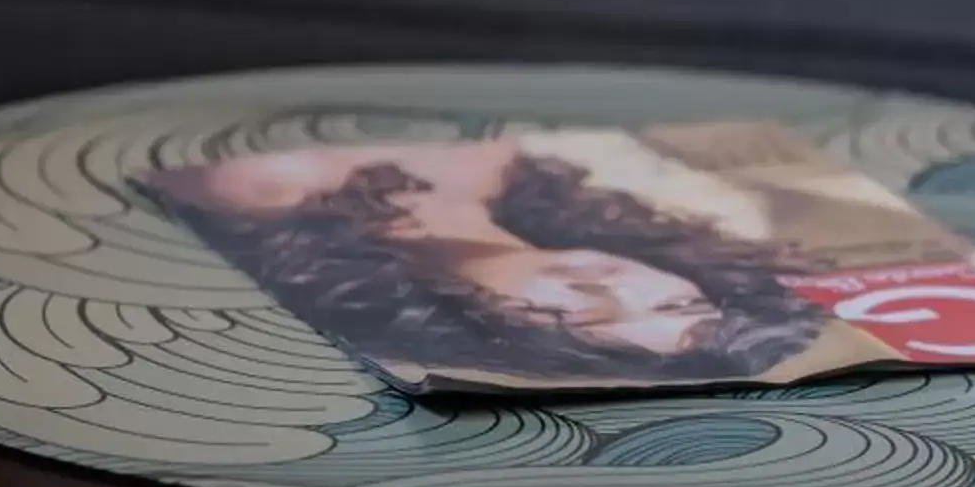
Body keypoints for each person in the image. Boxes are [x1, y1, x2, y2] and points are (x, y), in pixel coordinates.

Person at [164, 134, 832, 387]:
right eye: (676, 300)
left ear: (522, 335)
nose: (610, 285)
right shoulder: (531, 180)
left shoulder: (271, 198)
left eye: (590, 317)